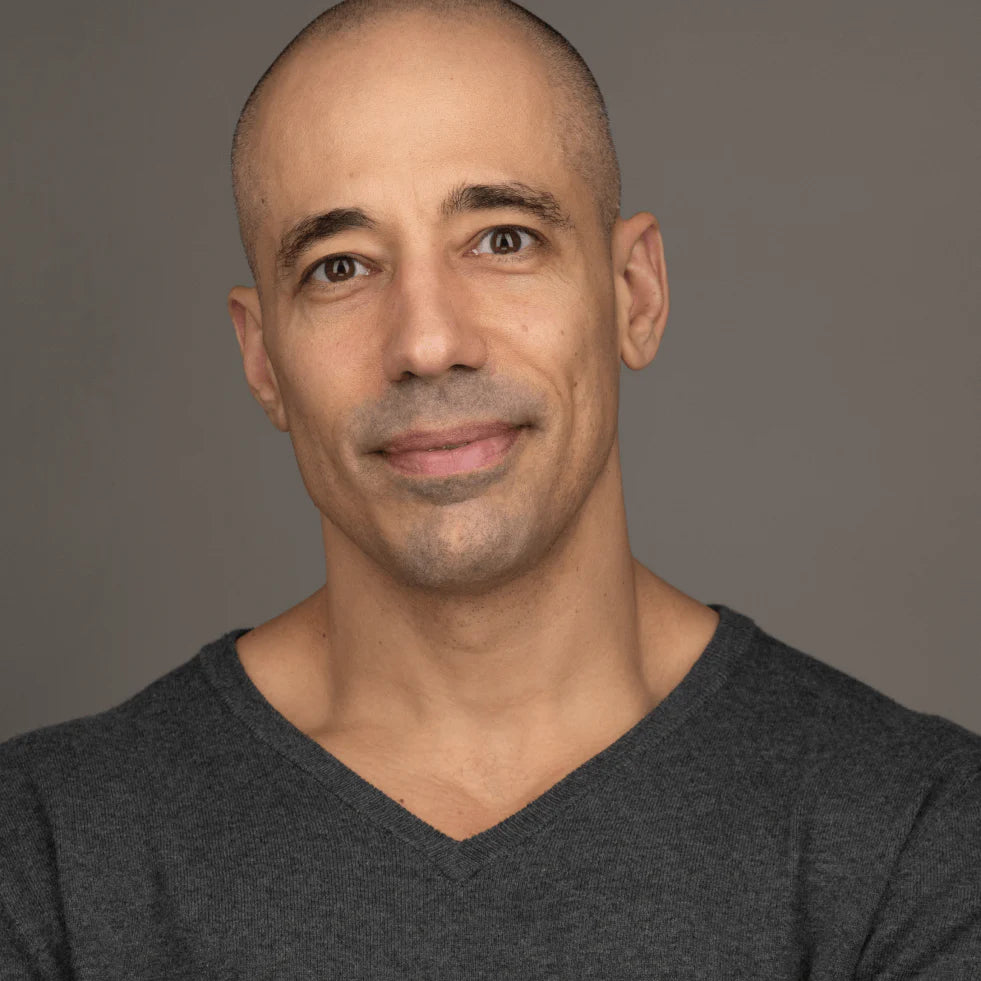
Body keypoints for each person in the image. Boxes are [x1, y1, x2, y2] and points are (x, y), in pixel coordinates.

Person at [1, 0, 978, 975]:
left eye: (502, 240)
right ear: (262, 362)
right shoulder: (44, 855)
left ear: (633, 294)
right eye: (341, 267)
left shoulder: (918, 837)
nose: (428, 342)